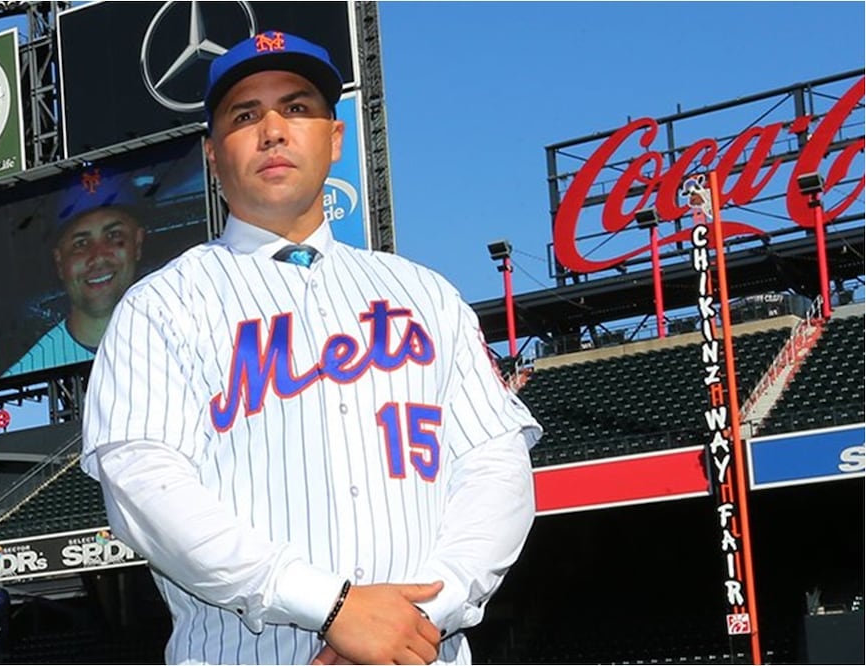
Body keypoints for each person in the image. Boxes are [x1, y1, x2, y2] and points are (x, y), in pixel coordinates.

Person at [81, 30, 541, 665]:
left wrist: (421, 614)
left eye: (296, 108)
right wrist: (330, 606)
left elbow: (495, 470)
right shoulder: (161, 306)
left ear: (335, 138)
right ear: (213, 156)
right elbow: (147, 490)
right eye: (246, 116)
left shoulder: (426, 295)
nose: (273, 130)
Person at [4, 168, 146, 377]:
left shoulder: (183, 339)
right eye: (81, 243)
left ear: (138, 243)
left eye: (114, 235)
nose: (98, 257)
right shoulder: (24, 375)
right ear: (60, 262)